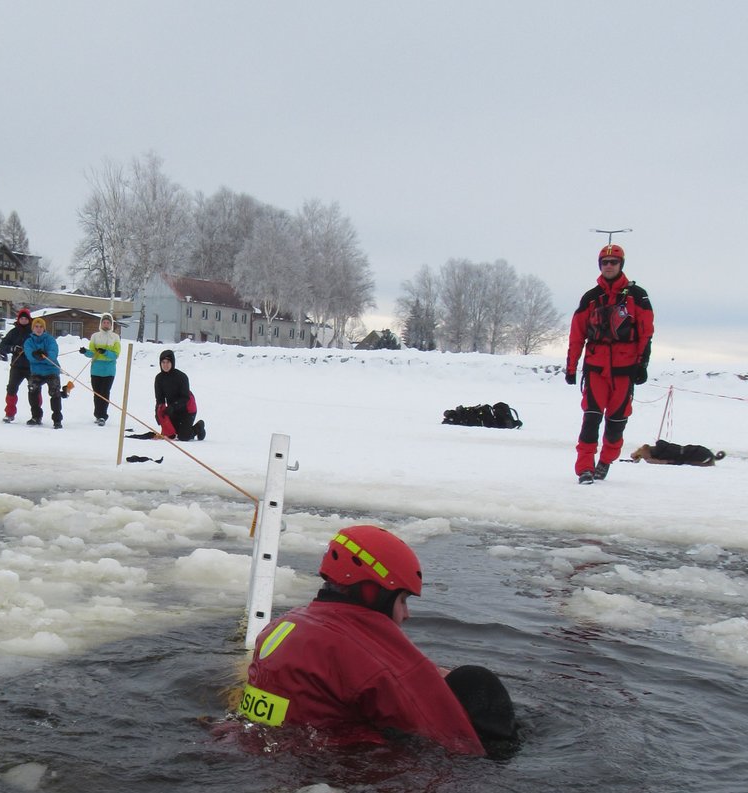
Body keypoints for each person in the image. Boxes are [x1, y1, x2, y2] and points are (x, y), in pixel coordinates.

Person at [237, 524, 516, 755]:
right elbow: (451, 741)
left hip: (256, 748)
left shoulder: (286, 624)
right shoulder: (364, 652)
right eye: (403, 600)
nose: (407, 614)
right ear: (372, 592)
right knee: (477, 682)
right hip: (328, 771)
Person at [565, 242, 654, 484]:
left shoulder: (638, 296)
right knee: (591, 418)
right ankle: (584, 467)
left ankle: (605, 461)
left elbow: (646, 332)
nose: (609, 266)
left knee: (616, 422)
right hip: (596, 368)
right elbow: (577, 334)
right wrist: (571, 367)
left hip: (624, 371)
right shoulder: (591, 298)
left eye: (613, 262)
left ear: (621, 265)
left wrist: (641, 364)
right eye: (605, 262)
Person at [154, 349, 206, 441]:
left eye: (168, 362)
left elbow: (185, 398)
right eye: (163, 362)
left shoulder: (181, 377)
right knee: (171, 435)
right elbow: (159, 399)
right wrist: (158, 413)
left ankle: (199, 427)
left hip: (187, 410)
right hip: (173, 410)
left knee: (183, 437)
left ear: (172, 362)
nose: (165, 365)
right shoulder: (159, 379)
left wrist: (173, 407)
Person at [80, 313, 121, 426]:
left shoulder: (115, 337)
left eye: (108, 322)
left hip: (109, 370)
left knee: (105, 393)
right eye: (104, 322)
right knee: (97, 393)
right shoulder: (95, 336)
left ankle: (103, 415)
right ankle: (97, 414)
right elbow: (92, 354)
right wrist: (85, 352)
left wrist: (105, 352)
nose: (106, 324)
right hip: (96, 370)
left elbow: (116, 355)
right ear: (101, 323)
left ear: (111, 324)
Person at [23, 316, 64, 428]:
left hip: (51, 370)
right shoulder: (28, 341)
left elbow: (53, 353)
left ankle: (57, 419)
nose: (39, 329)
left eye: (41, 326)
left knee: (55, 393)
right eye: (36, 326)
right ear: (32, 328)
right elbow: (29, 355)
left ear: (44, 328)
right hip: (36, 372)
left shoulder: (50, 339)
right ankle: (36, 416)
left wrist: (44, 356)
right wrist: (36, 356)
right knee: (32, 390)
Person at [0, 306, 33, 422]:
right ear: (18, 319)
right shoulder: (13, 332)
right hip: (16, 366)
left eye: (26, 319)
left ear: (29, 320)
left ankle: (36, 415)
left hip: (31, 366)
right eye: (21, 318)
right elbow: (3, 346)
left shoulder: (34, 331)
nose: (23, 320)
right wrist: (13, 348)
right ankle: (9, 413)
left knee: (34, 390)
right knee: (11, 389)